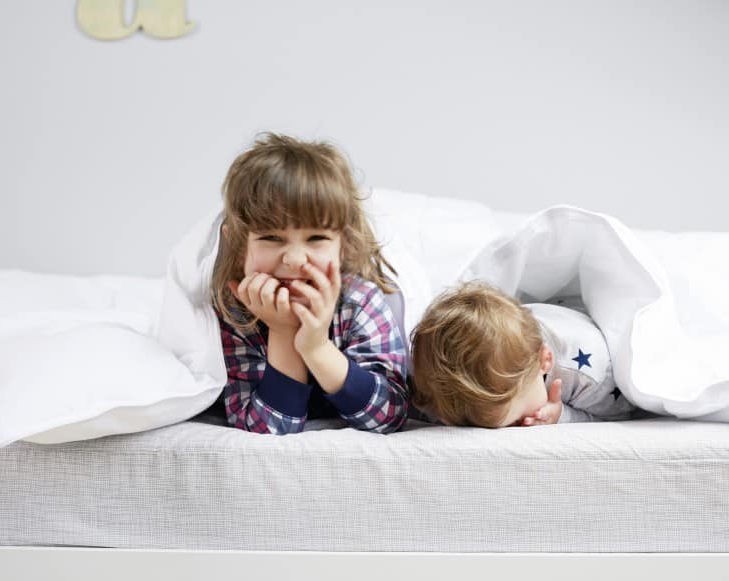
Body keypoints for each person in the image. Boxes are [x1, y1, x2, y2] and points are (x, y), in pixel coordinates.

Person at [210, 133, 409, 435]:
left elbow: (389, 416)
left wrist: (316, 346)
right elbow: (268, 429)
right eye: (271, 238)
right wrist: (282, 331)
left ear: (343, 244)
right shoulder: (234, 310)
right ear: (238, 245)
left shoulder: (358, 301)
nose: (293, 259)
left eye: (316, 238)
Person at [410, 281, 635, 427]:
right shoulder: (447, 387)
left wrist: (562, 416)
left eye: (515, 419)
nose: (520, 425)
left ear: (544, 361)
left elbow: (622, 418)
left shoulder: (588, 375)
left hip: (581, 315)